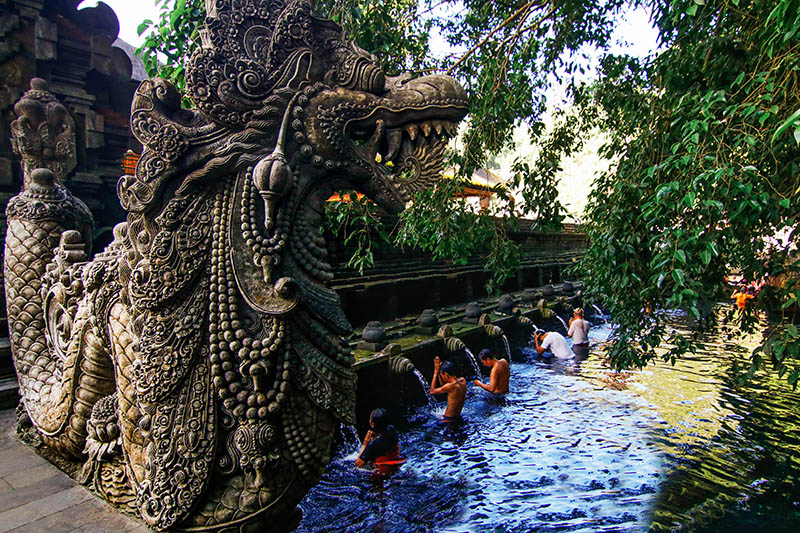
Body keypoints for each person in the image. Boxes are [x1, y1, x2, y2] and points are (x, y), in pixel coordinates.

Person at [430, 357, 467, 422]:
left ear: (446, 375)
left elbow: (432, 391)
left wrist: (435, 372)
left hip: (448, 420)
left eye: (442, 375)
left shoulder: (451, 386)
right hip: (457, 416)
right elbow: (443, 385)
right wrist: (440, 372)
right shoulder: (462, 380)